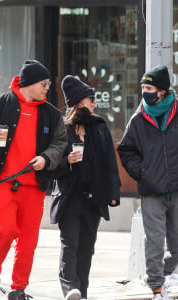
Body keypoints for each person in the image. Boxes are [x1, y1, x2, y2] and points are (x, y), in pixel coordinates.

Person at [0, 59, 67, 300]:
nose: (47, 87)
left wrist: (46, 158)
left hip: (34, 185)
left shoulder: (52, 115)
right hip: (4, 181)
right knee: (5, 230)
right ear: (30, 83)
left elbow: (60, 142)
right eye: (44, 83)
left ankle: (18, 289)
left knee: (29, 240)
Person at [117, 65, 178, 300]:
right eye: (142, 87)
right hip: (152, 191)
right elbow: (126, 150)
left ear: (162, 91)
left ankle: (161, 272)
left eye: (149, 88)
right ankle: (156, 287)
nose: (144, 92)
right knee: (155, 242)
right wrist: (142, 171)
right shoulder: (138, 119)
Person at [50, 75, 121, 300]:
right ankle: (70, 288)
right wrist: (67, 162)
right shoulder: (62, 129)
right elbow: (50, 167)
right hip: (69, 198)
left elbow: (110, 162)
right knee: (70, 244)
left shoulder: (99, 127)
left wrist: (113, 193)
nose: (94, 102)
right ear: (80, 102)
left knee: (86, 249)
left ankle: (83, 293)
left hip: (93, 198)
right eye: (91, 99)